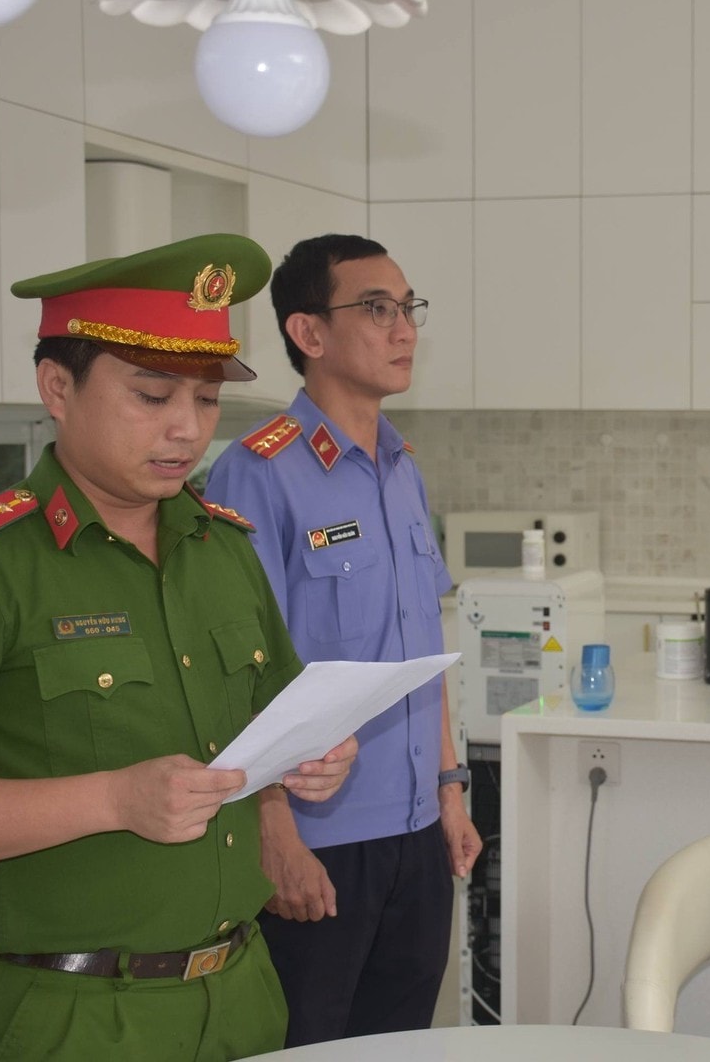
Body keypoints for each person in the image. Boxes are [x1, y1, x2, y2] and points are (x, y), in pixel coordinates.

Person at [0, 233, 359, 1062]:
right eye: (151, 396)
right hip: (73, 1016)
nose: (186, 429)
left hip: (243, 997)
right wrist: (114, 801)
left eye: (205, 400)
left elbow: (277, 724)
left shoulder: (223, 548)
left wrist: (317, 756)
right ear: (57, 387)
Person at [204, 233, 481, 1045]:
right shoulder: (259, 471)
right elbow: (235, 671)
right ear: (309, 332)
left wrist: (450, 793)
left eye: (408, 308)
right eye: (377, 308)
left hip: (416, 834)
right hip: (320, 841)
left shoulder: (402, 469)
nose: (404, 329)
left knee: (399, 1044)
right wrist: (274, 834)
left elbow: (420, 651)